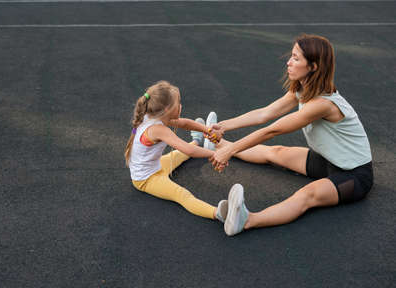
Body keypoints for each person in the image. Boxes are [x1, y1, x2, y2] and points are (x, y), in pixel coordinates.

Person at [207, 34, 373, 236]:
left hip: (354, 175)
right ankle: (218, 145)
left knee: (306, 195)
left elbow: (273, 130)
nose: (288, 62)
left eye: (295, 58)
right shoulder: (304, 89)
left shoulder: (323, 104)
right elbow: (265, 114)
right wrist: (223, 127)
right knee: (276, 152)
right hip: (326, 161)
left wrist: (233, 150)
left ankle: (247, 220)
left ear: (313, 66)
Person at [124, 80, 228, 222]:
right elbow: (189, 150)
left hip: (155, 165)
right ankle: (218, 213)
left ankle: (198, 141)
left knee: (178, 154)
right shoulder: (158, 129)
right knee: (182, 195)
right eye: (178, 103)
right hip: (146, 179)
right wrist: (217, 154)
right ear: (167, 109)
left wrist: (207, 130)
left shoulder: (156, 115)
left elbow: (184, 123)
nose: (181, 106)